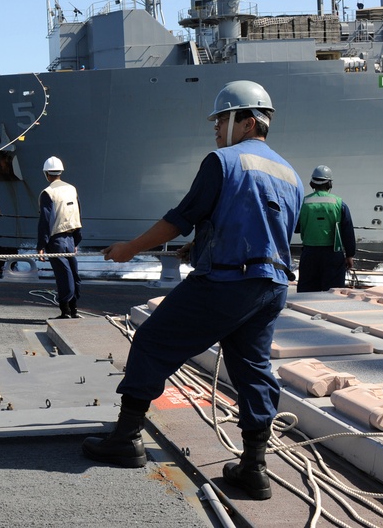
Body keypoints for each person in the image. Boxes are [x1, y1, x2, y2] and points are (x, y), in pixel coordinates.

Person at [81, 80, 303, 502]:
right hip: (270, 286)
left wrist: (130, 249)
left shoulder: (222, 162)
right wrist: (201, 244)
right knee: (252, 369)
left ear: (247, 121)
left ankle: (126, 439)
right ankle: (254, 469)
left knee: (152, 340)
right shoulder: (290, 173)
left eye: (222, 120)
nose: (216, 129)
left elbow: (181, 216)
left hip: (225, 283)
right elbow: (264, 227)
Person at [296, 165, 356, 292]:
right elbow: (347, 231)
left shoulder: (303, 203)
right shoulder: (339, 203)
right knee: (333, 292)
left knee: (307, 291)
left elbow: (296, 227)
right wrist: (350, 255)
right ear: (330, 183)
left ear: (312, 183)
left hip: (309, 253)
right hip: (333, 254)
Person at [36, 156, 82, 319]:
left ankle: (65, 310)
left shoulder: (48, 193)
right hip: (71, 237)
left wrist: (41, 245)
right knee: (73, 273)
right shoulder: (72, 189)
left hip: (57, 239)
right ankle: (74, 308)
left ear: (46, 174)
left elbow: (45, 220)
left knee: (63, 275)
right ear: (60, 172)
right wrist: (76, 239)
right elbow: (77, 213)